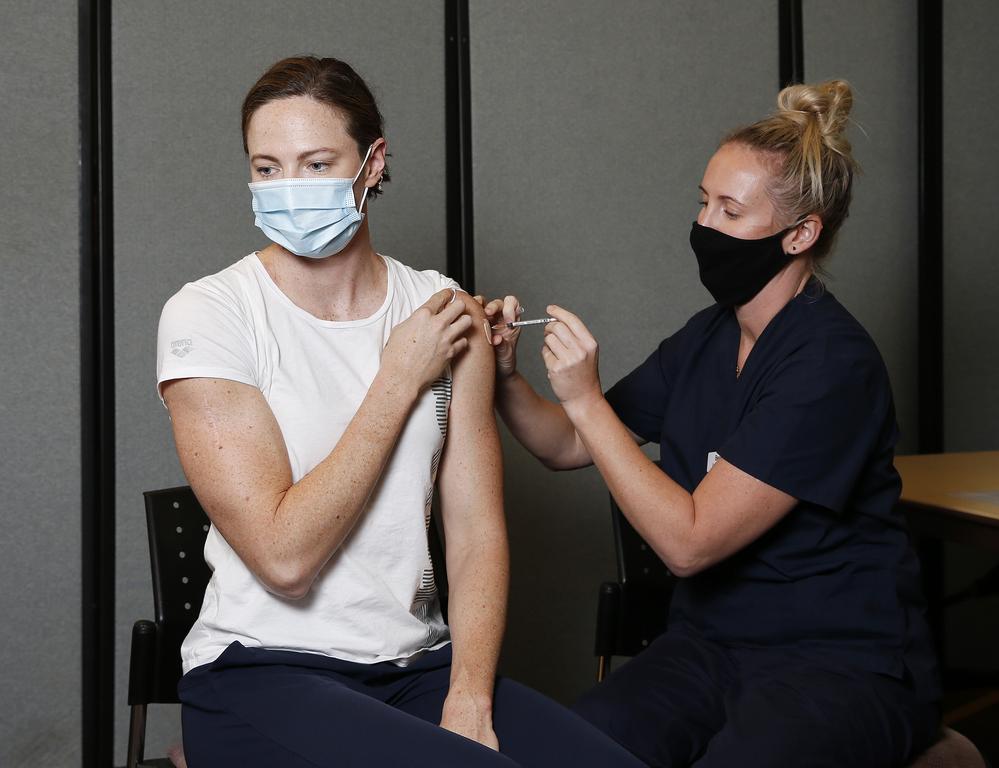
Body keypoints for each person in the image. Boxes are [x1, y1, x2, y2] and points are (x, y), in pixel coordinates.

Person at [156, 55, 642, 768]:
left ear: (373, 162)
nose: (289, 188)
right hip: (262, 671)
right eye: (267, 168)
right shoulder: (211, 315)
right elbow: (285, 558)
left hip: (418, 669)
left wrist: (469, 697)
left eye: (317, 163)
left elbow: (475, 531)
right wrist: (397, 379)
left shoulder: (442, 310)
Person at [483, 80, 941, 767]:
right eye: (703, 202)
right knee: (572, 749)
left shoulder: (831, 365)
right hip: (707, 646)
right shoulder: (707, 337)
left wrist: (584, 397)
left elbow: (688, 544)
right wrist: (507, 376)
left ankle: (939, 745)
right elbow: (570, 444)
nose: (705, 225)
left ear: (801, 233)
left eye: (730, 210)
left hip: (837, 661)